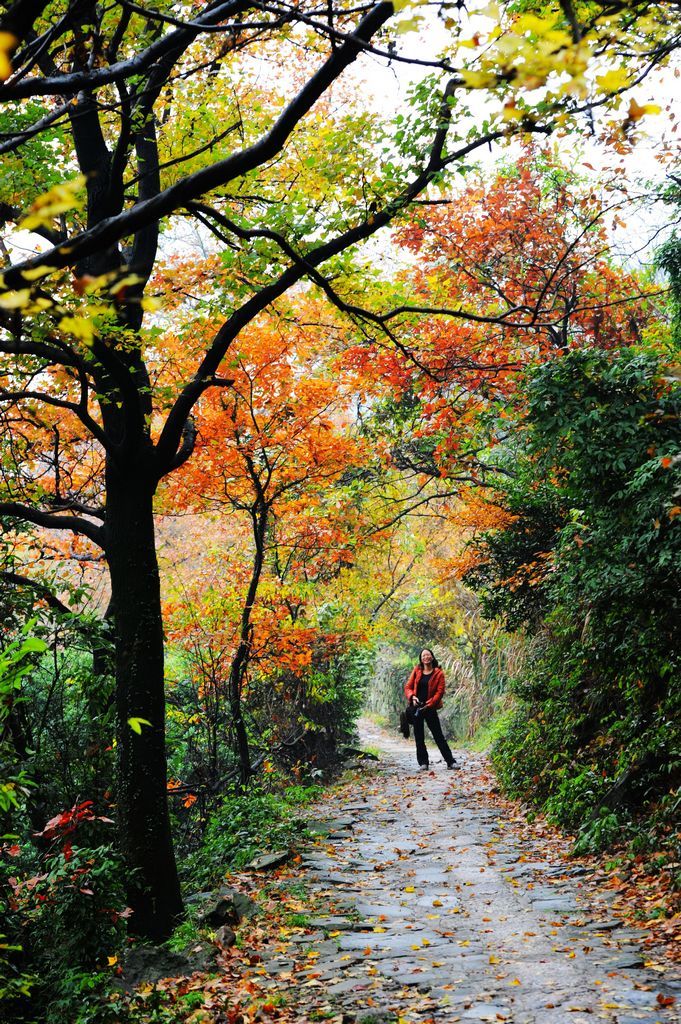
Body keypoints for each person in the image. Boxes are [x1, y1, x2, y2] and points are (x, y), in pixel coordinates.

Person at [404, 648, 457, 770]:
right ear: (421, 659)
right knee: (419, 736)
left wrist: (429, 704)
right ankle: (423, 763)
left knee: (438, 736)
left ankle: (451, 762)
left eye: (428, 655)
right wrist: (412, 697)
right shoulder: (417, 670)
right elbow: (408, 687)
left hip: (430, 707)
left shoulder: (438, 673)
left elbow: (440, 692)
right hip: (417, 707)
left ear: (432, 657)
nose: (426, 657)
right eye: (423, 656)